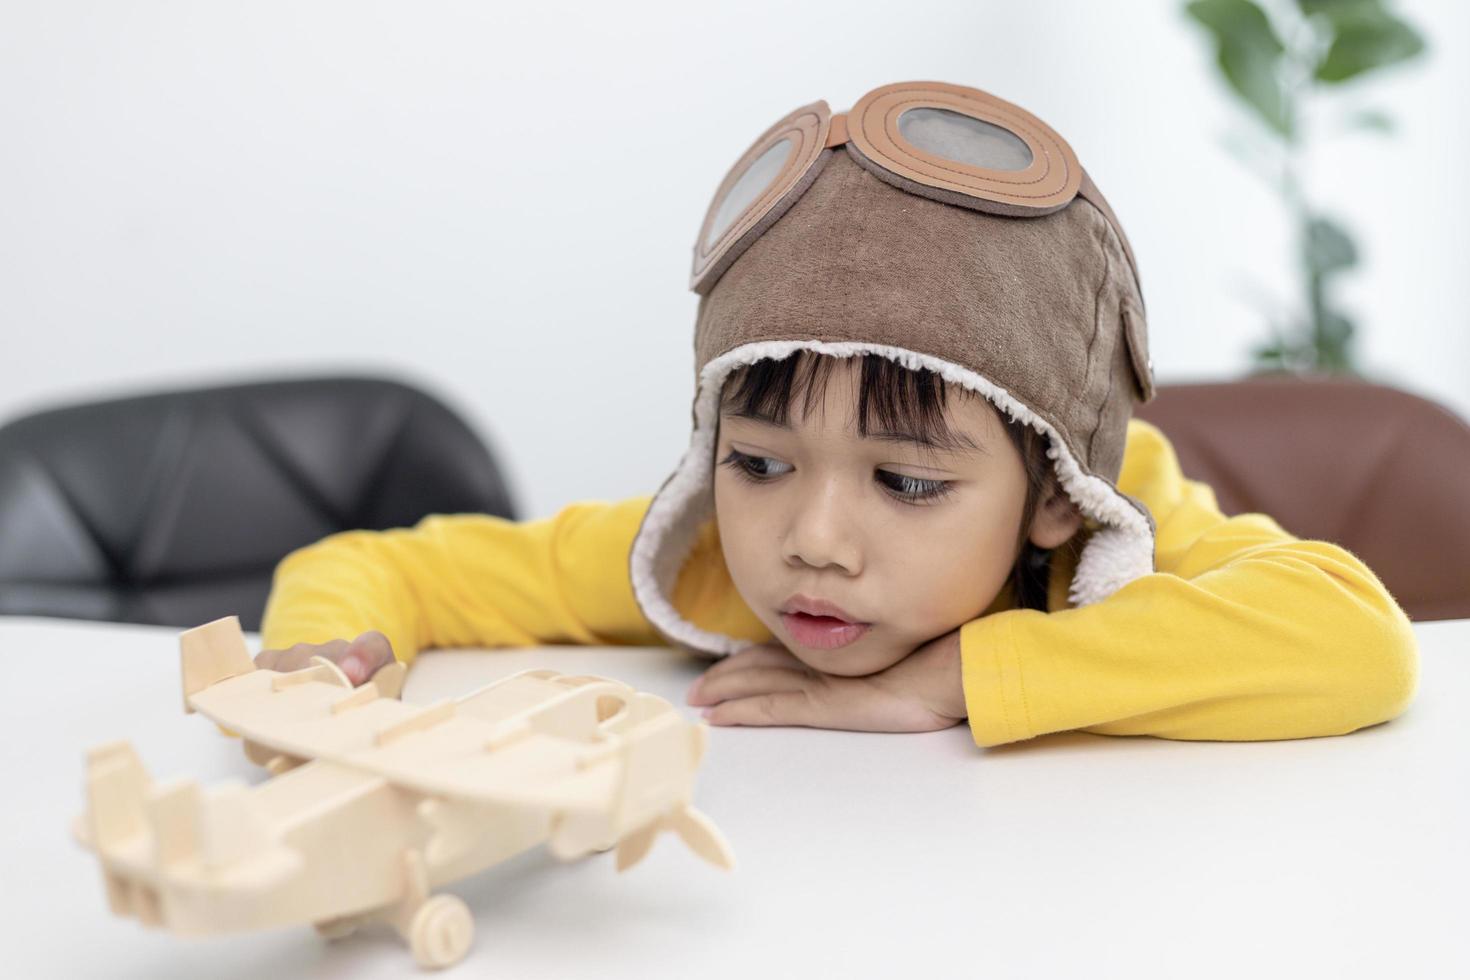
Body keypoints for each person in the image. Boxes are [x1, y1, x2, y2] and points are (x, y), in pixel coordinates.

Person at [255, 80, 1418, 747]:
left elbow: (1361, 641)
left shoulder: (1128, 525)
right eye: (760, 460)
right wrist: (324, 653)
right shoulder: (707, 551)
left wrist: (960, 678)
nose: (810, 535)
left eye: (906, 482)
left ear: (1058, 497)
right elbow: (392, 567)